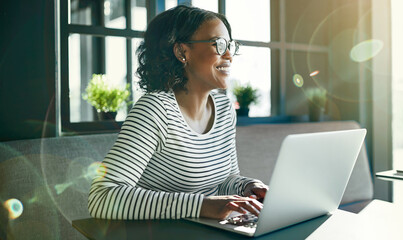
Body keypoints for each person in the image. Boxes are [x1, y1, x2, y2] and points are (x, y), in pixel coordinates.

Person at [88, 5, 268, 220]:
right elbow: (102, 196)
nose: (229, 55)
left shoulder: (224, 108)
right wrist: (202, 206)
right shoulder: (154, 110)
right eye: (219, 44)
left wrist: (247, 187)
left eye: (230, 45)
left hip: (209, 231)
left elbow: (224, 180)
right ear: (182, 52)